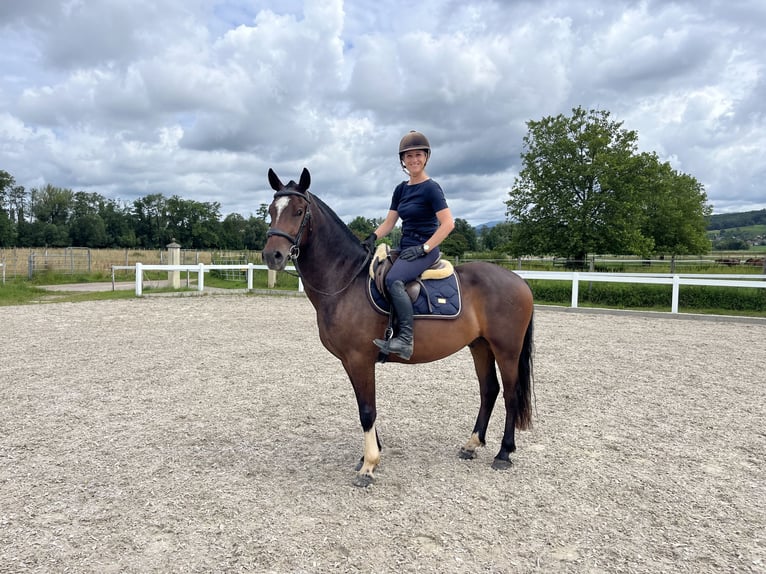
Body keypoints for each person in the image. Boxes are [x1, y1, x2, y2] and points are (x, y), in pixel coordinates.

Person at [362, 130, 455, 360]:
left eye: (418, 155)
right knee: (377, 272)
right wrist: (372, 236)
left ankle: (405, 339)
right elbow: (390, 222)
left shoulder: (432, 188)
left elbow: (448, 224)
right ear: (402, 160)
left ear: (426, 157)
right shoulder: (401, 189)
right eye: (409, 156)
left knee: (394, 280)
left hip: (425, 249)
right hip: (405, 247)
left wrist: (424, 247)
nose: (414, 160)